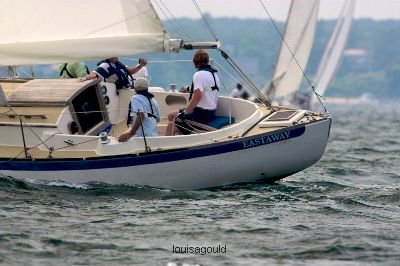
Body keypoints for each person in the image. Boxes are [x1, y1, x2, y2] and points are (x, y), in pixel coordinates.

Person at [165, 49, 220, 136]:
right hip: (211, 113)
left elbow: (198, 96)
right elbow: (206, 88)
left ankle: (168, 147)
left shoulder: (199, 74)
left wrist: (185, 112)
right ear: (207, 61)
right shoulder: (214, 74)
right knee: (171, 115)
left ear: (195, 61)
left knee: (171, 125)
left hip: (201, 114)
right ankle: (183, 136)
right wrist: (188, 89)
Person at [118, 77, 160, 141]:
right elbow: (157, 119)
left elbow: (141, 115)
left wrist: (131, 133)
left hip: (141, 138)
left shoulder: (136, 98)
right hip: (153, 136)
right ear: (147, 87)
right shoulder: (153, 101)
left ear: (135, 87)